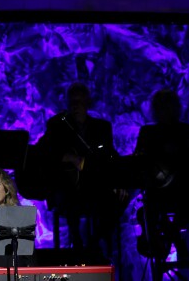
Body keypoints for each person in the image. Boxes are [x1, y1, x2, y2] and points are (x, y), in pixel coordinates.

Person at [34, 82, 123, 259]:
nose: (76, 106)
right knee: (70, 198)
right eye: (72, 101)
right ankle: (78, 244)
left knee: (117, 200)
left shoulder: (101, 127)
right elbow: (43, 151)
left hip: (95, 185)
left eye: (80, 102)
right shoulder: (57, 125)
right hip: (67, 186)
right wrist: (66, 158)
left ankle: (93, 244)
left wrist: (86, 164)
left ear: (88, 103)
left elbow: (107, 155)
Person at [133, 89, 189, 278]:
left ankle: (175, 240)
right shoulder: (148, 132)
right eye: (162, 106)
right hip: (158, 192)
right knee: (150, 208)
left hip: (186, 190)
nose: (166, 110)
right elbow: (139, 161)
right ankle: (176, 241)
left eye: (169, 105)